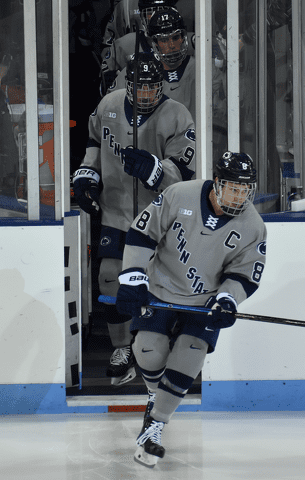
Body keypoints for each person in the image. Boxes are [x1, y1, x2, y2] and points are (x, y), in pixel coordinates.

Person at [115, 151, 267, 466]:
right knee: (148, 350)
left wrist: (228, 298)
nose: (240, 196)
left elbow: (245, 272)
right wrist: (132, 279)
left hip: (204, 302)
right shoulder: (179, 194)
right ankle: (157, 395)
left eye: (245, 190)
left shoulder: (252, 225)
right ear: (217, 182)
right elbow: (143, 233)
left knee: (190, 354)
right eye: (234, 188)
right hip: (161, 288)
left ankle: (155, 425)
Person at [72, 52, 195, 386]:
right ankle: (121, 348)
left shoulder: (177, 115)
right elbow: (94, 143)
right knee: (110, 277)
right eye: (140, 87)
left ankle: (163, 345)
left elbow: (185, 173)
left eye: (152, 87)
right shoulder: (108, 105)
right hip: (116, 209)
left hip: (160, 217)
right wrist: (87, 176)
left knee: (162, 283)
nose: (146, 94)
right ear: (128, 84)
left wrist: (155, 171)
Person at [107, 7, 196, 122]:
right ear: (154, 43)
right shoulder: (136, 69)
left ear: (183, 37)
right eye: (164, 40)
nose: (172, 45)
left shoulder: (201, 68)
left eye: (175, 37)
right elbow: (110, 110)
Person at [100, 0, 178, 95]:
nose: (157, 17)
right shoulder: (124, 45)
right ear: (142, 16)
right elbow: (105, 85)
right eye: (150, 12)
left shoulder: (185, 44)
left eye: (163, 11)